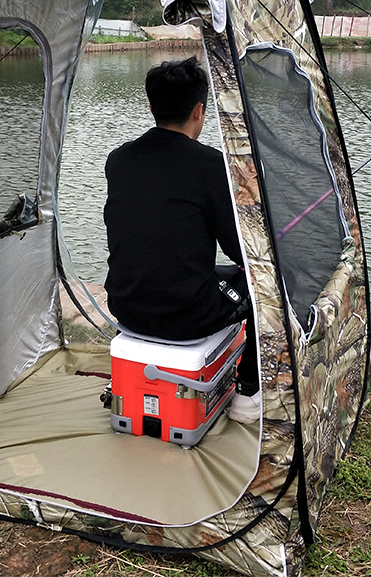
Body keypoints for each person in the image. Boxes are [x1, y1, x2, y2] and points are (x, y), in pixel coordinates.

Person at [103, 56, 260, 423]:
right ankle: (247, 395)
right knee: (257, 288)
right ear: (199, 110)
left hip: (125, 306)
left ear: (151, 106)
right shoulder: (211, 165)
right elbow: (240, 253)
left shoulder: (118, 160)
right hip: (188, 315)